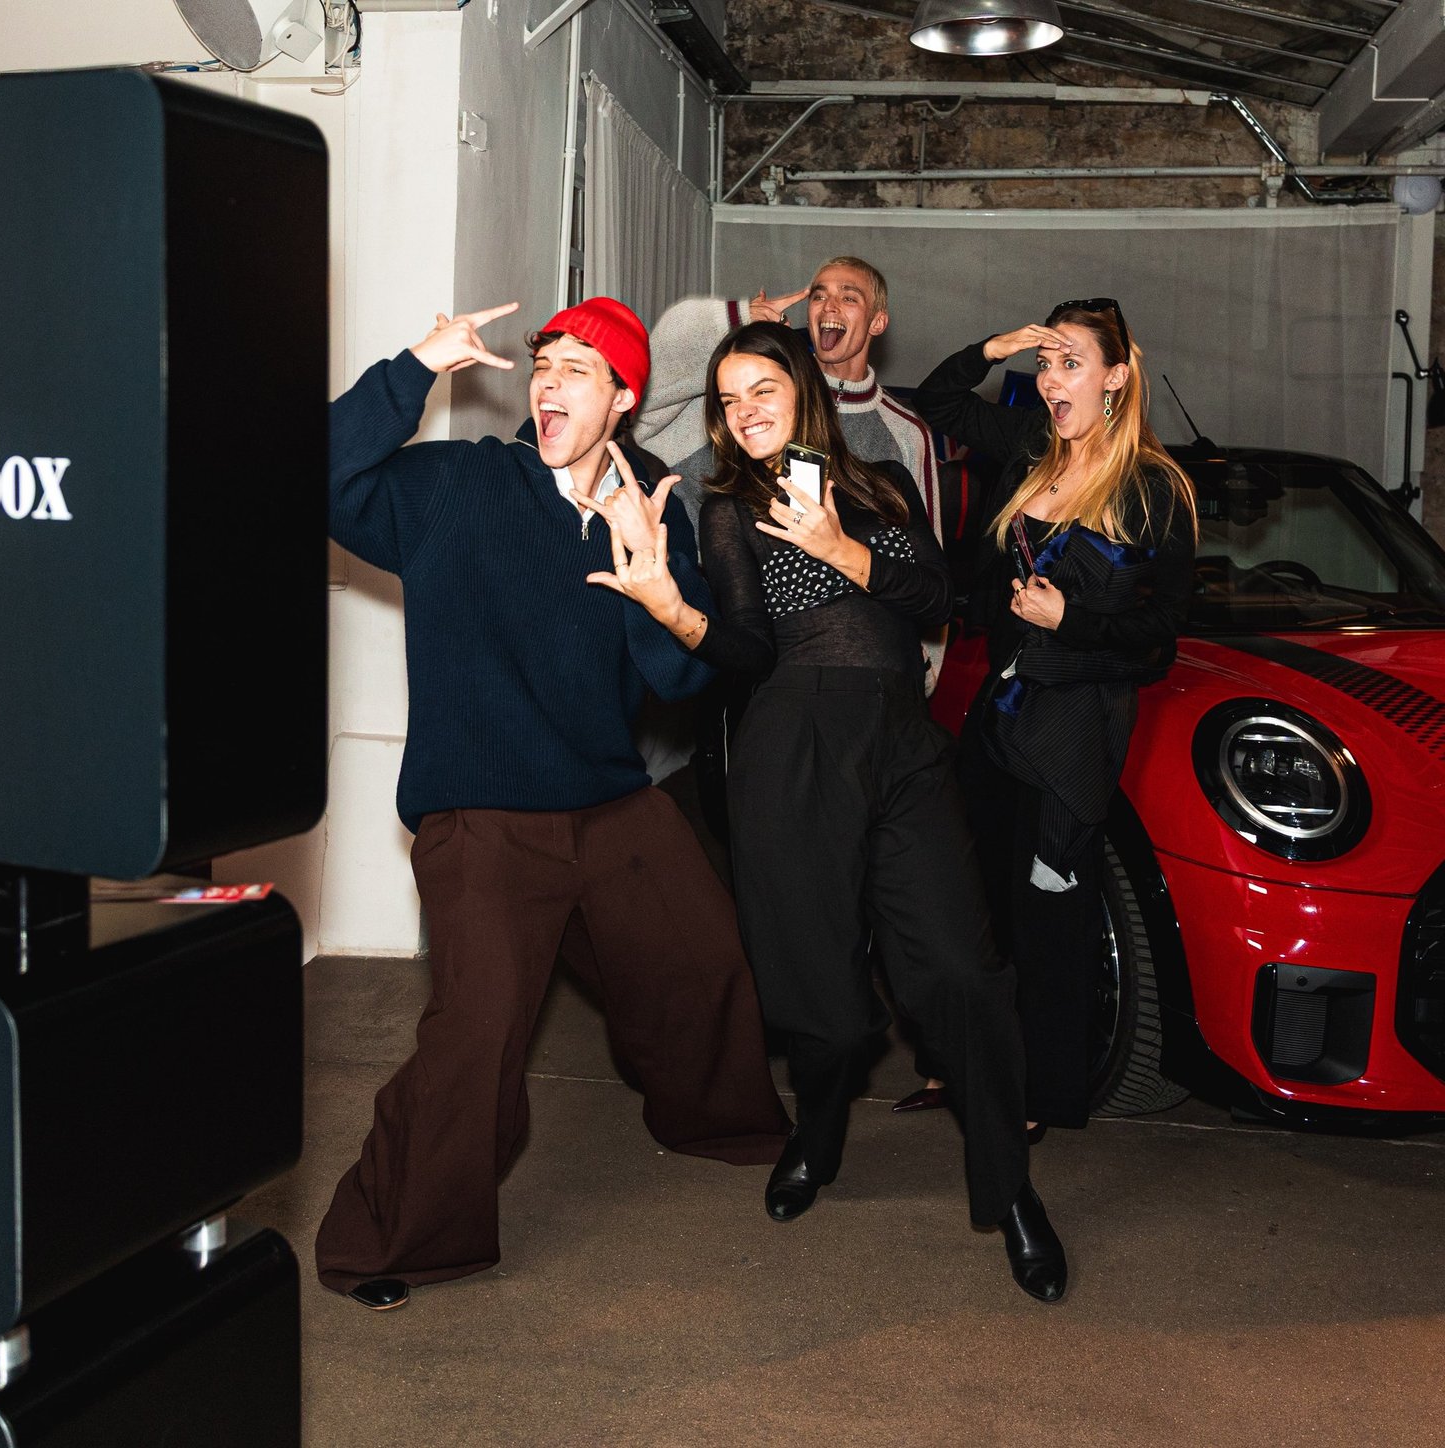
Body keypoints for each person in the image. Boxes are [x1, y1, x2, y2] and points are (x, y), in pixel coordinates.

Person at [314, 297, 792, 1311]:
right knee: (479, 1027)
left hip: (608, 798)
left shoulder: (651, 504)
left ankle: (725, 1124)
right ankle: (392, 1236)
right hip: (482, 810)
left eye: (580, 370)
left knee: (701, 955)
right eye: (546, 365)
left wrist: (658, 588)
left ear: (623, 398)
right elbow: (316, 473)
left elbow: (678, 680)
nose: (549, 384)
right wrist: (416, 366)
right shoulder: (458, 486)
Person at [592, 318, 1068, 1304]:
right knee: (822, 994)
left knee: (959, 972)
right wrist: (673, 610)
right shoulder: (729, 509)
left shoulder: (879, 486)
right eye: (728, 400)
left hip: (899, 742)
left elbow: (942, 596)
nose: (745, 411)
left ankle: (1010, 1188)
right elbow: (749, 649)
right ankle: (820, 1124)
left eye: (761, 388)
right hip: (790, 745)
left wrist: (846, 550)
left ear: (804, 387)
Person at [909, 299, 1197, 1141]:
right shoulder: (1034, 448)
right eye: (1044, 362)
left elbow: (1158, 641)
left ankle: (1037, 1095)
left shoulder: (1152, 489)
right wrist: (994, 347)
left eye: (1069, 361)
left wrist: (1071, 620)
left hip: (1068, 740)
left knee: (1046, 925)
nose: (1050, 378)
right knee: (972, 909)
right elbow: (935, 403)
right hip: (997, 722)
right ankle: (966, 1066)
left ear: (1116, 376)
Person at [635, 256, 947, 689]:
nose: (828, 305)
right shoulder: (733, 411)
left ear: (877, 322)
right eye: (818, 295)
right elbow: (644, 385)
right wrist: (737, 317)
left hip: (891, 696)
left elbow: (932, 578)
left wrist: (925, 667)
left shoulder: (901, 439)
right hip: (747, 664)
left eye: (848, 296)